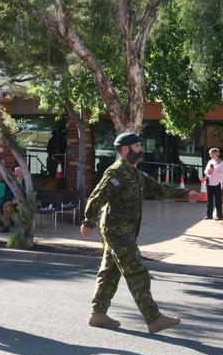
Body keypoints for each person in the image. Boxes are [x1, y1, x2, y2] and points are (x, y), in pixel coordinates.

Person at [80, 132, 199, 334]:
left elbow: (158, 187)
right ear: (125, 150)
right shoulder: (116, 172)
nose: (140, 149)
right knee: (137, 272)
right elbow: (97, 197)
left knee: (109, 273)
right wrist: (88, 221)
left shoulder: (135, 172)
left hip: (124, 230)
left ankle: (97, 314)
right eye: (136, 146)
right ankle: (154, 319)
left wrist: (185, 193)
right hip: (117, 231)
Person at [0, 167, 25, 233]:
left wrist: (19, 200)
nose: (19, 173)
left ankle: (21, 228)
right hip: (14, 201)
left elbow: (27, 193)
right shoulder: (13, 182)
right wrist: (12, 199)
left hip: (23, 202)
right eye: (17, 172)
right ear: (15, 173)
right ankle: (6, 226)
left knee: (20, 207)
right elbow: (9, 193)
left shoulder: (26, 181)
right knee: (6, 205)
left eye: (20, 172)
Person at [204, 148, 223, 220]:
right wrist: (208, 171)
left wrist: (214, 171)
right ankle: (209, 215)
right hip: (209, 182)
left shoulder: (222, 163)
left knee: (218, 200)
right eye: (210, 154)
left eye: (212, 153)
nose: (210, 155)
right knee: (209, 200)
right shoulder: (210, 161)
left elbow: (222, 174)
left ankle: (219, 216)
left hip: (217, 183)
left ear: (217, 154)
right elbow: (205, 171)